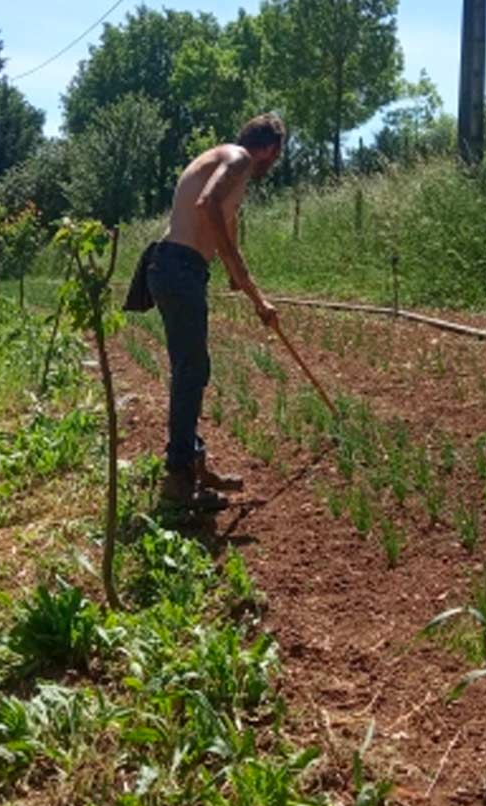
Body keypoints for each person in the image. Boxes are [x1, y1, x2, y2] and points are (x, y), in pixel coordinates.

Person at [145, 113, 284, 510]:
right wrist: (229, 258)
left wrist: (253, 294)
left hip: (175, 268)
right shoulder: (238, 159)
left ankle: (194, 462)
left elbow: (229, 231)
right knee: (191, 372)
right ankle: (178, 481)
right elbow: (207, 205)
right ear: (270, 150)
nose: (271, 166)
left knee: (193, 370)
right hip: (180, 268)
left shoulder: (227, 166)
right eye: (274, 158)